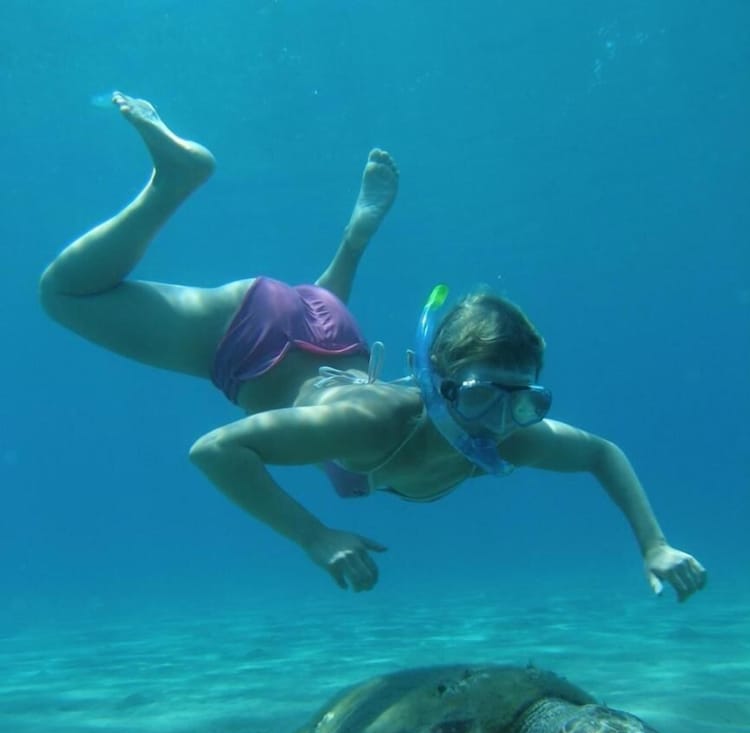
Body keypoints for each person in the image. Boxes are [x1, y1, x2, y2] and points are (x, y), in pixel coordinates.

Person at [40, 93, 707, 601]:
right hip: (251, 334)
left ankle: (353, 242)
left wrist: (654, 545)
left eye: (524, 401)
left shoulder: (507, 435)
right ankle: (175, 181)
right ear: (439, 385)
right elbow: (214, 450)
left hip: (336, 335)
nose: (500, 421)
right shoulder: (371, 424)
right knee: (65, 295)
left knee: (324, 348)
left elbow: (600, 453)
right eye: (481, 396)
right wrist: (314, 537)